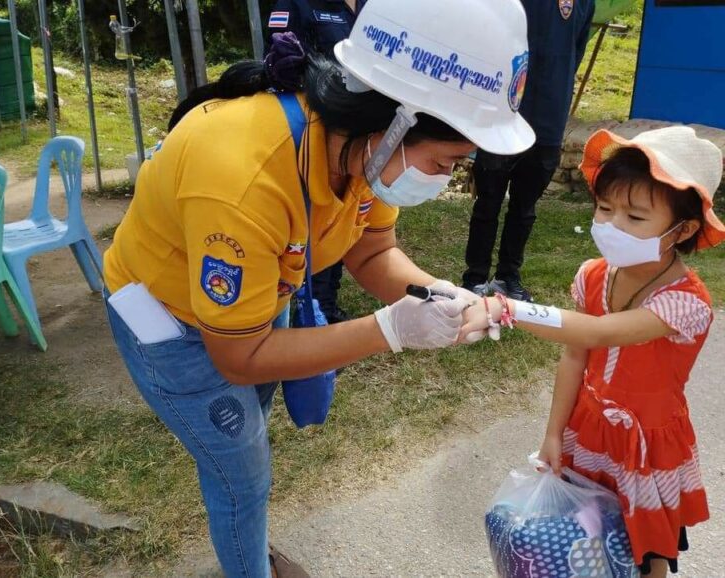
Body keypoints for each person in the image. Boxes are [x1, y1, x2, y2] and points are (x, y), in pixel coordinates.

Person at [104, 0, 534, 576]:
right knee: (243, 469)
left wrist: (437, 293)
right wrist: (390, 329)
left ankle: (248, 545)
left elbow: (373, 250)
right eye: (448, 161)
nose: (447, 177)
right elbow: (241, 355)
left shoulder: (363, 150)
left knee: (248, 433)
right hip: (167, 319)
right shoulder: (242, 177)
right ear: (398, 124)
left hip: (257, 301)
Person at [461, 126, 725, 577]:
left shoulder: (686, 303)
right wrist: (553, 433)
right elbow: (574, 354)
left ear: (684, 230)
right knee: (586, 533)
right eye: (604, 209)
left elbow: (598, 334)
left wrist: (508, 308)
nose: (612, 225)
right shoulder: (593, 277)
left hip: (644, 448)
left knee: (647, 548)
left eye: (636, 218)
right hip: (587, 433)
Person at [461, 0, 595, 302]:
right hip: (503, 111)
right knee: (488, 202)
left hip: (548, 118)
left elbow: (576, 52)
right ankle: (474, 279)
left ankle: (508, 277)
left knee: (525, 208)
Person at [265, 0, 368, 324]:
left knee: (339, 223)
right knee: (308, 225)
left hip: (361, 130)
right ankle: (303, 304)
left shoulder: (371, 6)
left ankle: (324, 304)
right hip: (312, 133)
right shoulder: (299, 3)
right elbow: (282, 58)